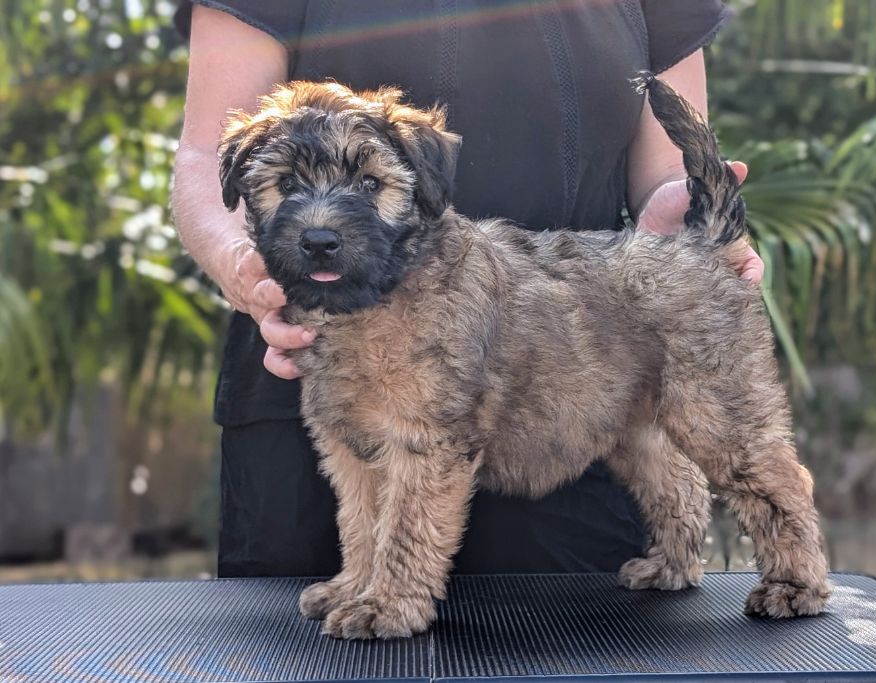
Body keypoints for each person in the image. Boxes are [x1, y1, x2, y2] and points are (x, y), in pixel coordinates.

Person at [172, 0, 764, 578]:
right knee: (301, 636)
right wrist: (242, 264)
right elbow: (209, 151)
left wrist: (678, 212)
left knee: (572, 631)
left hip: (571, 380)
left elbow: (665, 163)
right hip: (304, 383)